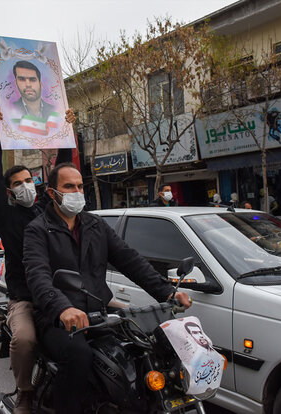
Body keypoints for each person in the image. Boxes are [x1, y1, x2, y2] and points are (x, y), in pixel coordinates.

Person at [23, 163, 191, 413]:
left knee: (136, 356)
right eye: (68, 187)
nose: (76, 191)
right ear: (51, 193)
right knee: (78, 356)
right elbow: (38, 275)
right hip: (57, 319)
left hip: (98, 315)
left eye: (80, 186)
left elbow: (129, 259)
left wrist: (167, 291)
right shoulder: (37, 230)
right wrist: (62, 309)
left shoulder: (95, 225)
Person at [0, 104, 75, 413]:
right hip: (24, 298)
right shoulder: (6, 217)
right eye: (17, 183)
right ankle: (24, 392)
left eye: (28, 180)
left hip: (58, 293)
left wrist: (65, 133)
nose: (25, 185)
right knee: (23, 340)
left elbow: (61, 175)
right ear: (10, 191)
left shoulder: (48, 212)